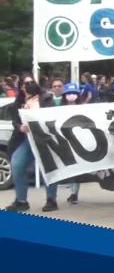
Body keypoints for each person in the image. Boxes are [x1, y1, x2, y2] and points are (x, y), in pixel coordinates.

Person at [4, 76, 59, 212]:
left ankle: (51, 199)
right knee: (17, 164)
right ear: (22, 86)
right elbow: (14, 121)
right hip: (26, 139)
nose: (29, 85)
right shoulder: (18, 102)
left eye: (31, 82)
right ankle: (21, 201)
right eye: (26, 83)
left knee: (48, 168)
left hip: (43, 138)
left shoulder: (46, 98)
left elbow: (52, 115)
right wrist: (19, 127)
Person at [61, 82, 84, 204]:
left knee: (77, 168)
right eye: (68, 93)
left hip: (78, 141)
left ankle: (74, 193)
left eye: (73, 93)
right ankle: (72, 192)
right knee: (70, 168)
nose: (71, 96)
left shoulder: (82, 108)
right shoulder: (60, 109)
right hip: (66, 140)